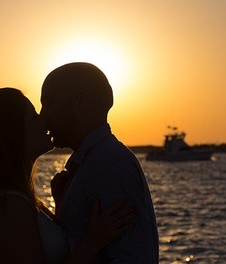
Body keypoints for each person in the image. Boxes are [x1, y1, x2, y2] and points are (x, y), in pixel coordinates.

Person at [0, 88, 136, 264]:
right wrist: (93, 241)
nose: (44, 119)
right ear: (13, 133)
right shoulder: (7, 207)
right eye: (34, 116)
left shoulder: (9, 201)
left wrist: (61, 209)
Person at [40, 62, 159, 263]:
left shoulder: (109, 164)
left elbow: (133, 257)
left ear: (80, 102)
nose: (43, 117)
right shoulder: (92, 163)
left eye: (49, 103)